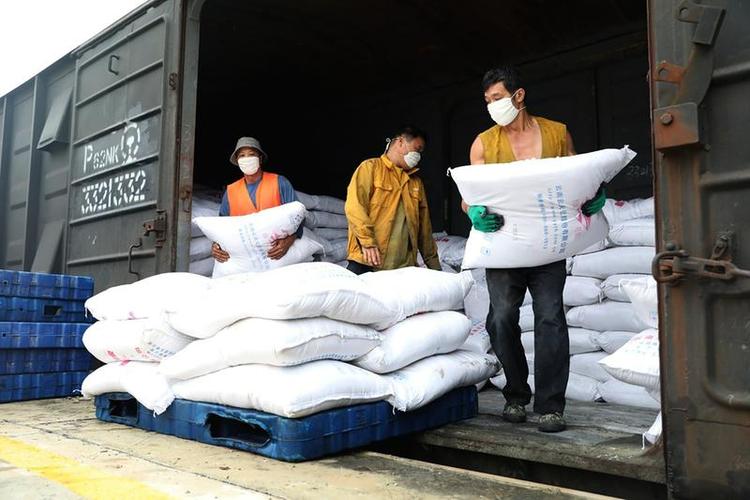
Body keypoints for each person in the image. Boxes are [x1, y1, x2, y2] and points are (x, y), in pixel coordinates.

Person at [465, 66, 606, 433]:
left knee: (550, 319)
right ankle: (515, 393)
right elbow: (469, 198)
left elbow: (580, 177)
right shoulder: (484, 143)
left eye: (497, 98)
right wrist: (474, 213)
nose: (492, 106)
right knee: (500, 319)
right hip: (504, 246)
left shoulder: (557, 133)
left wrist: (593, 197)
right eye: (488, 101)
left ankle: (550, 406)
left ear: (519, 95)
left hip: (547, 248)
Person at [345, 126, 440, 274]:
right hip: (367, 261)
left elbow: (424, 230)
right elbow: (354, 207)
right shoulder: (370, 168)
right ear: (400, 142)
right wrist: (368, 243)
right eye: (417, 149)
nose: (418, 156)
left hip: (403, 267)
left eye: (421, 152)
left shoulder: (415, 183)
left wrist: (435, 267)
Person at [211, 136, 303, 262]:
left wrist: (288, 241)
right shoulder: (231, 191)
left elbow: (299, 217)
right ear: (237, 161)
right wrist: (216, 245)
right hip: (245, 258)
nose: (246, 159)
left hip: (276, 253)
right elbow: (222, 226)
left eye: (251, 154)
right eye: (242, 155)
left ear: (259, 159)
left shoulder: (279, 182)